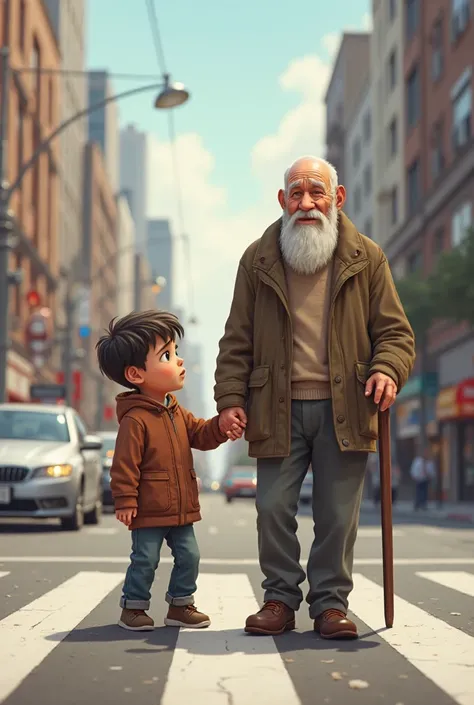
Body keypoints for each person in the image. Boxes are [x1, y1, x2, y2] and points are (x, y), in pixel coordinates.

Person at [215, 156, 415, 640]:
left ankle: (330, 605)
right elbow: (236, 339)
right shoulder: (256, 259)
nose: (307, 203)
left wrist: (387, 369)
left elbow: (395, 333)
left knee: (337, 514)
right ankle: (280, 599)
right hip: (276, 407)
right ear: (283, 201)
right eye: (297, 194)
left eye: (317, 192)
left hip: (345, 406)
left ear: (337, 198)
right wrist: (230, 399)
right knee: (272, 508)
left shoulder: (367, 257)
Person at [96, 310, 242, 632]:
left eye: (175, 352)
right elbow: (124, 466)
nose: (177, 360)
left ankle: (180, 605)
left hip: (180, 509)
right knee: (145, 559)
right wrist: (125, 501)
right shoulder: (135, 420)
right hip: (148, 508)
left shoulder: (176, 411)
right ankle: (133, 608)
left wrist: (220, 425)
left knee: (190, 556)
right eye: (166, 355)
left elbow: (201, 435)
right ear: (136, 374)